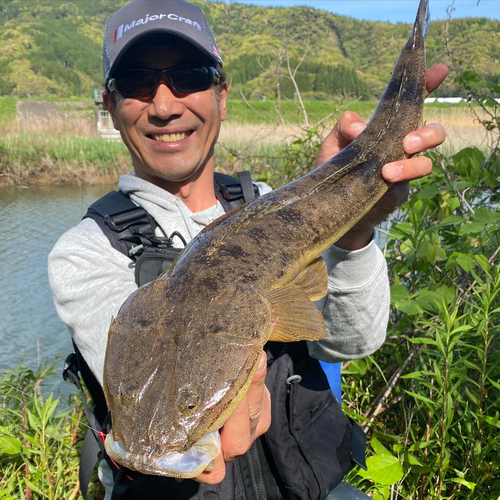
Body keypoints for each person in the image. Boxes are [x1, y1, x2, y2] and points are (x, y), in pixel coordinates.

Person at [48, 0, 448, 498]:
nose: (165, 105)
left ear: (222, 92)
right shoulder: (84, 252)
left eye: (190, 76)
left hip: (311, 481)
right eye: (136, 83)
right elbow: (149, 385)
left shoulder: (275, 203)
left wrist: (349, 229)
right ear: (110, 106)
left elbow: (351, 343)